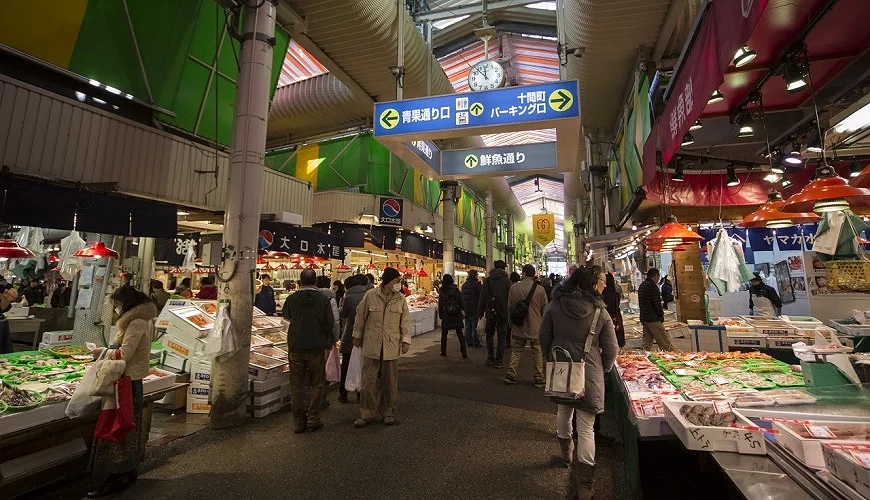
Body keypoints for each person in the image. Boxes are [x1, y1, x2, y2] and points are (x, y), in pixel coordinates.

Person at [540, 266, 618, 499]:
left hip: (561, 367)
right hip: (589, 371)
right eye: (601, 281)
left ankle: (566, 456)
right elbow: (612, 348)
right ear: (592, 284)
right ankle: (585, 484)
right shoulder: (599, 312)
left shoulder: (555, 305)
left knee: (563, 412)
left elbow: (544, 336)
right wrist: (602, 369)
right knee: (586, 428)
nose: (604, 285)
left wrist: (552, 360)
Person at [87, 286, 157, 498]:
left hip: (125, 382)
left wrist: (102, 352)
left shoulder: (135, 322)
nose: (116, 309)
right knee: (127, 426)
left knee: (118, 428)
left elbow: (125, 354)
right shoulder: (142, 319)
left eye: (117, 304)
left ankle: (116, 477)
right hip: (130, 380)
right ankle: (127, 471)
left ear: (126, 304)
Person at [352, 267, 411, 427]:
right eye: (396, 281)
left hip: (391, 345)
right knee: (368, 382)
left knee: (390, 382)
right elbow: (360, 316)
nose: (399, 283)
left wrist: (406, 340)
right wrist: (357, 336)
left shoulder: (400, 298)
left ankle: (388, 411)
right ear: (388, 282)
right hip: (372, 344)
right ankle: (366, 413)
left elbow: (405, 321)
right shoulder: (370, 296)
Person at [282, 269, 334, 433]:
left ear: (300, 281)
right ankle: (313, 418)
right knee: (316, 383)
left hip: (296, 346)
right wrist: (326, 339)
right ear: (315, 281)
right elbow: (329, 323)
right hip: (316, 346)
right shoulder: (323, 300)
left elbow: (287, 316)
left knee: (296, 385)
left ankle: (298, 422)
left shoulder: (291, 299)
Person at [504, 264, 549, 387]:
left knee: (517, 350)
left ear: (523, 273)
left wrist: (511, 321)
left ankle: (511, 373)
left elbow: (510, 306)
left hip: (519, 323)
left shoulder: (514, 288)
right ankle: (539, 377)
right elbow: (545, 309)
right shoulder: (540, 289)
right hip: (536, 325)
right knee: (537, 351)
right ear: (534, 274)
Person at [338, 275, 367, 403]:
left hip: (350, 336)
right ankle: (361, 395)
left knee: (346, 366)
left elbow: (343, 314)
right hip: (366, 337)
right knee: (363, 366)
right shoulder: (369, 295)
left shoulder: (348, 298)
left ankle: (343, 394)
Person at [478, 260, 511, 369]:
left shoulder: (487, 281)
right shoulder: (507, 281)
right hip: (503, 313)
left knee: (489, 334)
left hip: (490, 312)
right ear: (504, 268)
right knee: (502, 336)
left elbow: (482, 298)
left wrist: (480, 313)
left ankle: (490, 357)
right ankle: (499, 360)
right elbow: (510, 299)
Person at [638, 268, 672, 351]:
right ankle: (671, 359)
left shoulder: (642, 285)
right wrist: (661, 315)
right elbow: (657, 304)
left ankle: (644, 359)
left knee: (647, 343)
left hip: (644, 318)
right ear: (656, 276)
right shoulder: (653, 287)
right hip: (653, 319)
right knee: (665, 344)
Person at [438, 274, 467, 358]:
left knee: (444, 333)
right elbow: (461, 302)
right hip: (457, 314)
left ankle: (443, 351)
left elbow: (440, 304)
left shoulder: (442, 290)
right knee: (459, 333)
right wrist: (462, 310)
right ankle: (464, 351)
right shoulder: (456, 290)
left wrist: (441, 315)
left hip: (446, 314)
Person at [601, 273, 625, 348]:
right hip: (614, 319)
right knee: (615, 340)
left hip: (602, 319)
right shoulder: (615, 294)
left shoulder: (600, 294)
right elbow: (616, 308)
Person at [461, 270, 482, 348]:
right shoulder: (477, 285)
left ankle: (468, 342)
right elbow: (480, 297)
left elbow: (462, 298)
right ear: (475, 275)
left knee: (467, 326)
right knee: (475, 326)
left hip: (466, 308)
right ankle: (476, 342)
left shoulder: (464, 285)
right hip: (474, 308)